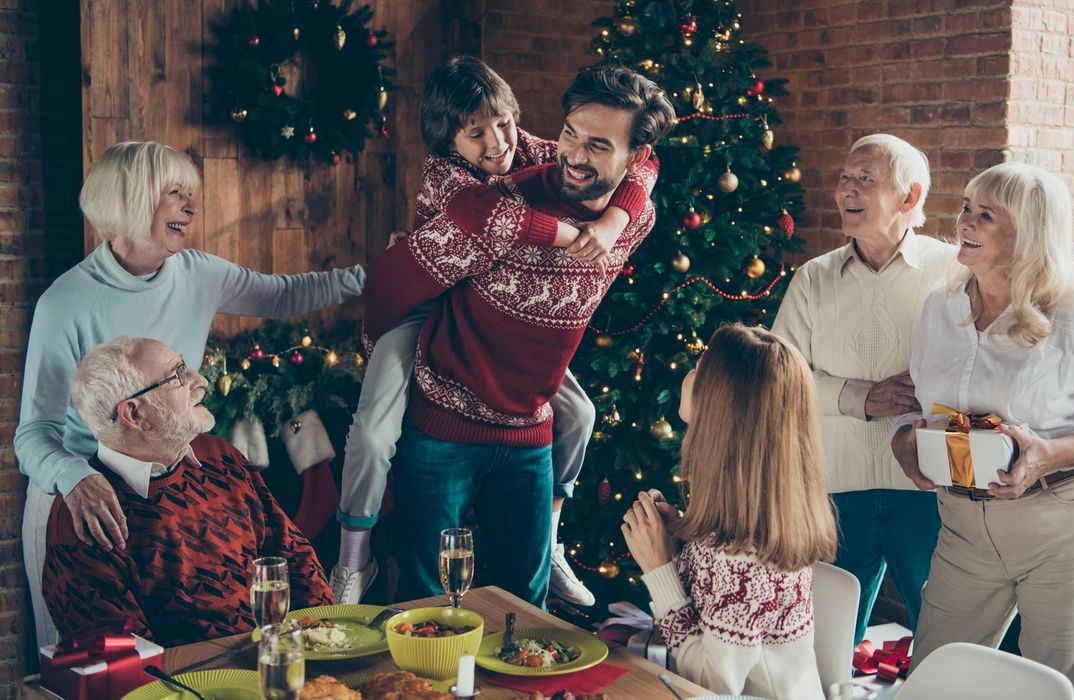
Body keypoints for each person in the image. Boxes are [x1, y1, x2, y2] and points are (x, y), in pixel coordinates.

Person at [771, 134, 1074, 644]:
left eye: (867, 178)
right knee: (885, 656)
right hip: (905, 501)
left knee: (1034, 674)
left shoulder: (976, 274)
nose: (966, 224)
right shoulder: (924, 299)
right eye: (967, 210)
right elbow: (780, 379)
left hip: (1005, 509)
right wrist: (885, 417)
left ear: (910, 197)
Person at [333, 56, 658, 607]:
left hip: (523, 415)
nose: (497, 141)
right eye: (476, 133)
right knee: (373, 432)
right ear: (448, 139)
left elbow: (647, 169)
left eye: (503, 123)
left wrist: (615, 219)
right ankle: (350, 561)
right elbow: (492, 218)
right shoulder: (447, 178)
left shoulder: (539, 155)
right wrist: (574, 235)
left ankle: (552, 542)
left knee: (579, 414)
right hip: (415, 299)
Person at [15, 141, 364, 646]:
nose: (191, 206)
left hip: (173, 481)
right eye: (173, 194)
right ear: (130, 199)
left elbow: (288, 294)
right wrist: (73, 479)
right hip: (83, 500)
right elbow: (34, 434)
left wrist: (382, 278)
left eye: (190, 194)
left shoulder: (197, 272)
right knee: (92, 668)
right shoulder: (65, 303)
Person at [891, 162, 1074, 699]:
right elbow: (914, 399)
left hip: (1066, 528)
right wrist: (905, 440)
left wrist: (1046, 454)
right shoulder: (940, 306)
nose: (965, 222)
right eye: (966, 207)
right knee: (934, 682)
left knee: (1058, 689)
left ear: (1029, 234)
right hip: (963, 522)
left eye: (986, 215)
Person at [43, 337, 333, 647]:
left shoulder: (220, 456)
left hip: (282, 659)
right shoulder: (85, 522)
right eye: (178, 375)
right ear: (135, 414)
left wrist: (326, 636)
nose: (200, 381)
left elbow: (292, 554)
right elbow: (131, 664)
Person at [621, 325, 838, 700]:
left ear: (722, 407)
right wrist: (682, 537)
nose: (688, 374)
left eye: (700, 368)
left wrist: (660, 570)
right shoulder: (746, 523)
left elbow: (708, 687)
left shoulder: (742, 558)